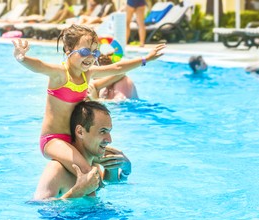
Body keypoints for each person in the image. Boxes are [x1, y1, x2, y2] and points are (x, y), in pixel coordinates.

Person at [12, 24, 164, 191]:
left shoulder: (88, 74)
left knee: (113, 158)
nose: (91, 57)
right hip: (54, 140)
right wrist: (21, 58)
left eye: (95, 52)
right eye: (85, 52)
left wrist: (145, 59)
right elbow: (40, 65)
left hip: (76, 139)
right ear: (68, 48)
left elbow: (117, 68)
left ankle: (114, 184)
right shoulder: (60, 74)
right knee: (87, 171)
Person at [34, 101, 131, 200]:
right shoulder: (57, 169)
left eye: (109, 132)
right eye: (102, 131)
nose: (109, 140)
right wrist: (78, 191)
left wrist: (125, 171)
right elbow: (40, 206)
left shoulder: (94, 166)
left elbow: (111, 188)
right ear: (80, 132)